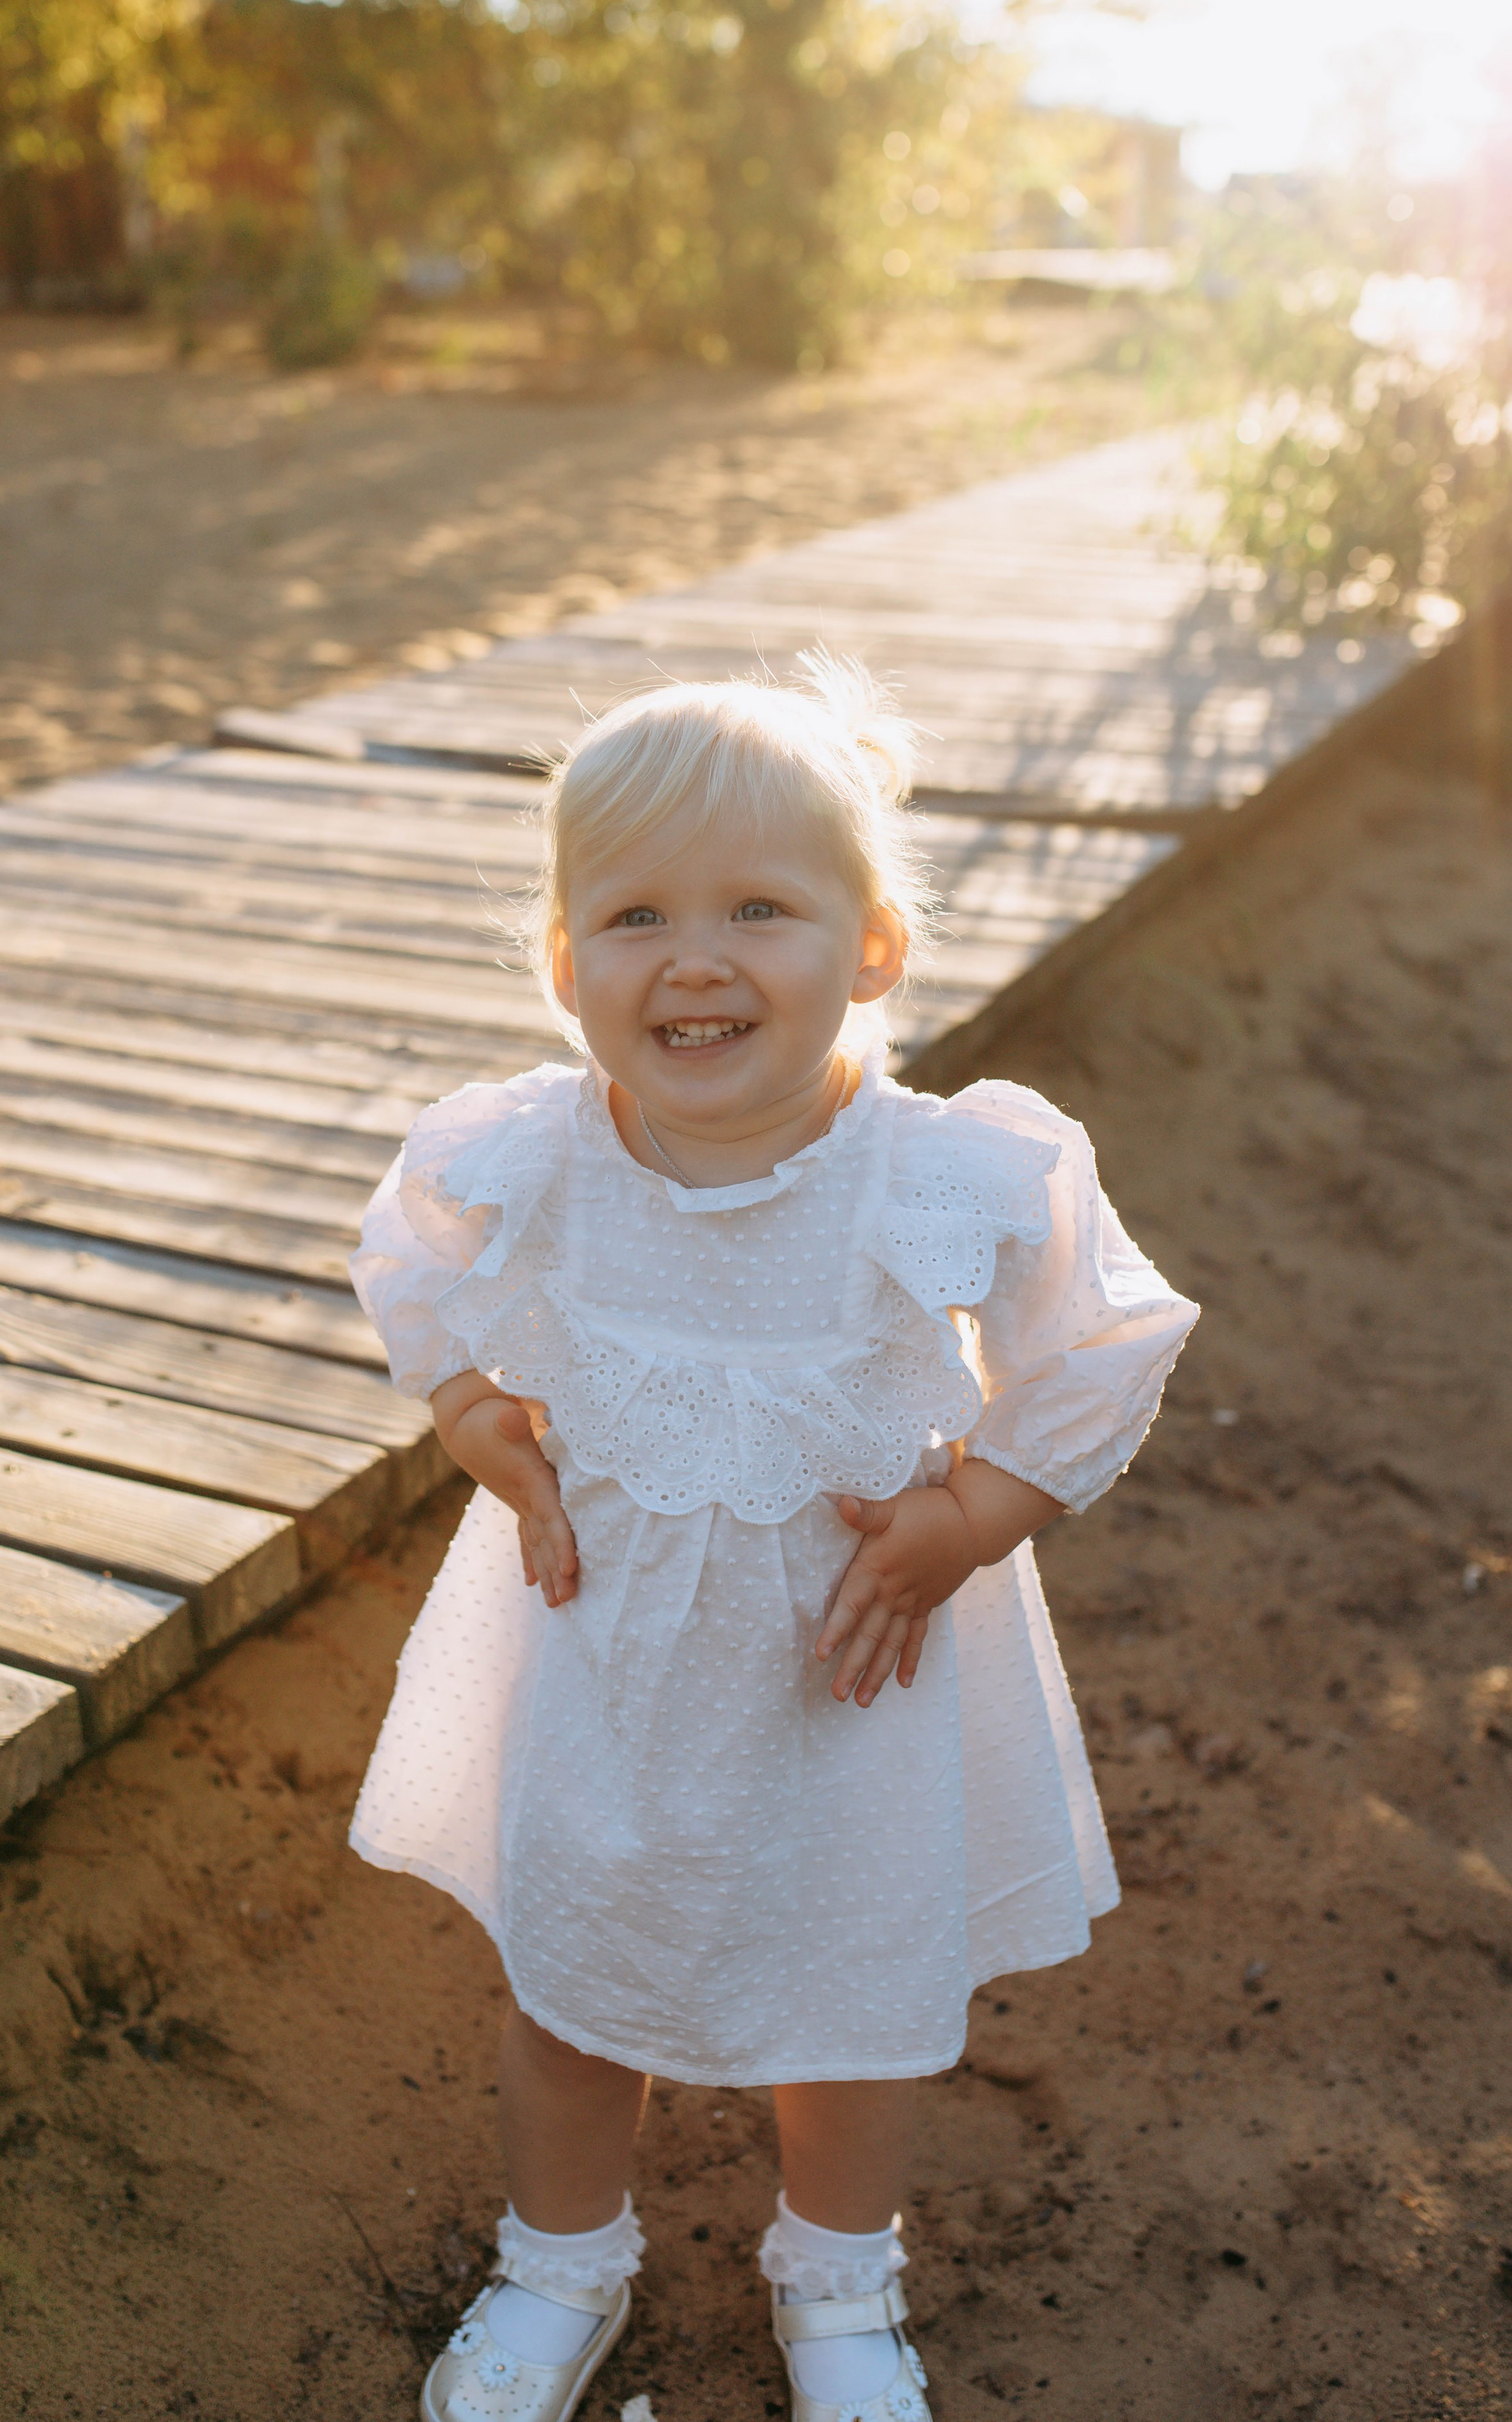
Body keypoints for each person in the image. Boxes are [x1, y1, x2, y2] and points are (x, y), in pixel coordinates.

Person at [349, 657, 1198, 2422]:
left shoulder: (935, 1172)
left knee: (849, 2005)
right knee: (580, 1994)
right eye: (637, 914)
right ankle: (558, 2260)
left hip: (848, 1685)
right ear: (567, 962)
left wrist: (975, 1513)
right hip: (609, 1675)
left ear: (872, 948)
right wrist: (472, 1422)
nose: (698, 957)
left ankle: (838, 2285)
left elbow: (1107, 1331)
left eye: (760, 907)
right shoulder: (536, 1156)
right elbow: (419, 1258)